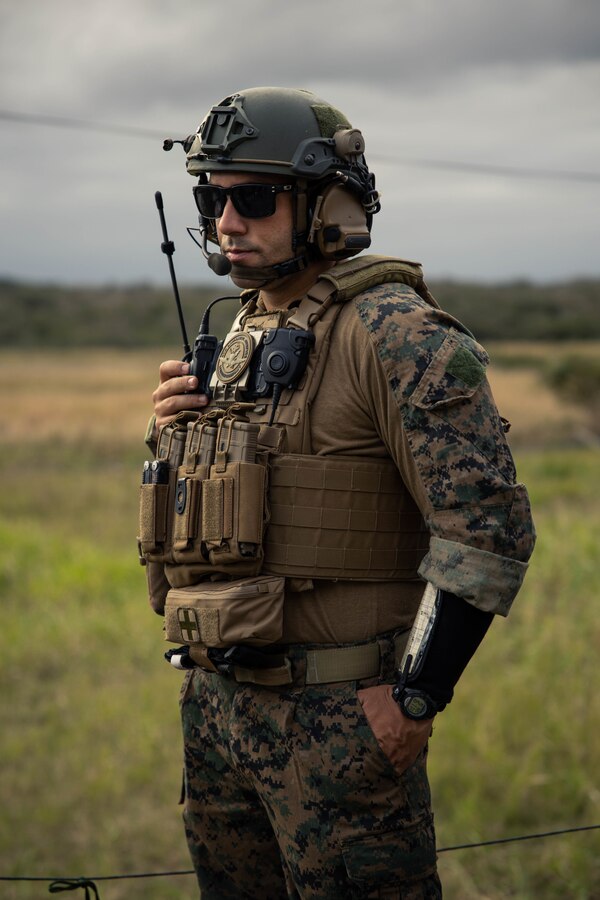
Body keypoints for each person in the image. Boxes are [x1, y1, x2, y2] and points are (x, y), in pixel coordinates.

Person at [141, 86, 535, 899]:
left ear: (327, 205)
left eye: (252, 198)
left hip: (339, 720)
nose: (225, 222)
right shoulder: (243, 330)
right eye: (212, 198)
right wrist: (174, 436)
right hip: (218, 708)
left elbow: (486, 530)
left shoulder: (398, 333)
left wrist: (414, 699)